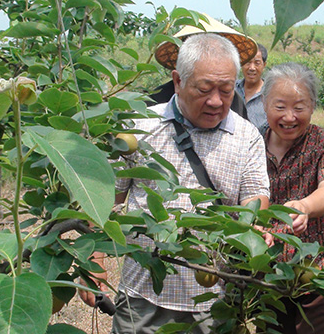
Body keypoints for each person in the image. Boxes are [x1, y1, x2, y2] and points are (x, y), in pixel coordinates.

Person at [81, 33, 270, 334]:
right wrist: (94, 259)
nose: (216, 101)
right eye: (204, 89)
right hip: (144, 297)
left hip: (215, 302)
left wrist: (256, 229)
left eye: (226, 90)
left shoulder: (247, 138)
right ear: (178, 81)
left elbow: (254, 200)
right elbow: (104, 200)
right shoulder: (139, 127)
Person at [263, 62, 324, 334]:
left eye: (299, 108)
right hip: (268, 275)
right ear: (264, 105)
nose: (289, 117)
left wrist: (304, 206)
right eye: (280, 107)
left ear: (312, 107)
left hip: (319, 274)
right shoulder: (251, 144)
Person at [235, 43, 268, 134]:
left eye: (257, 63)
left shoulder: (270, 94)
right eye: (248, 62)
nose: (252, 68)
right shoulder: (231, 89)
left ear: (264, 65)